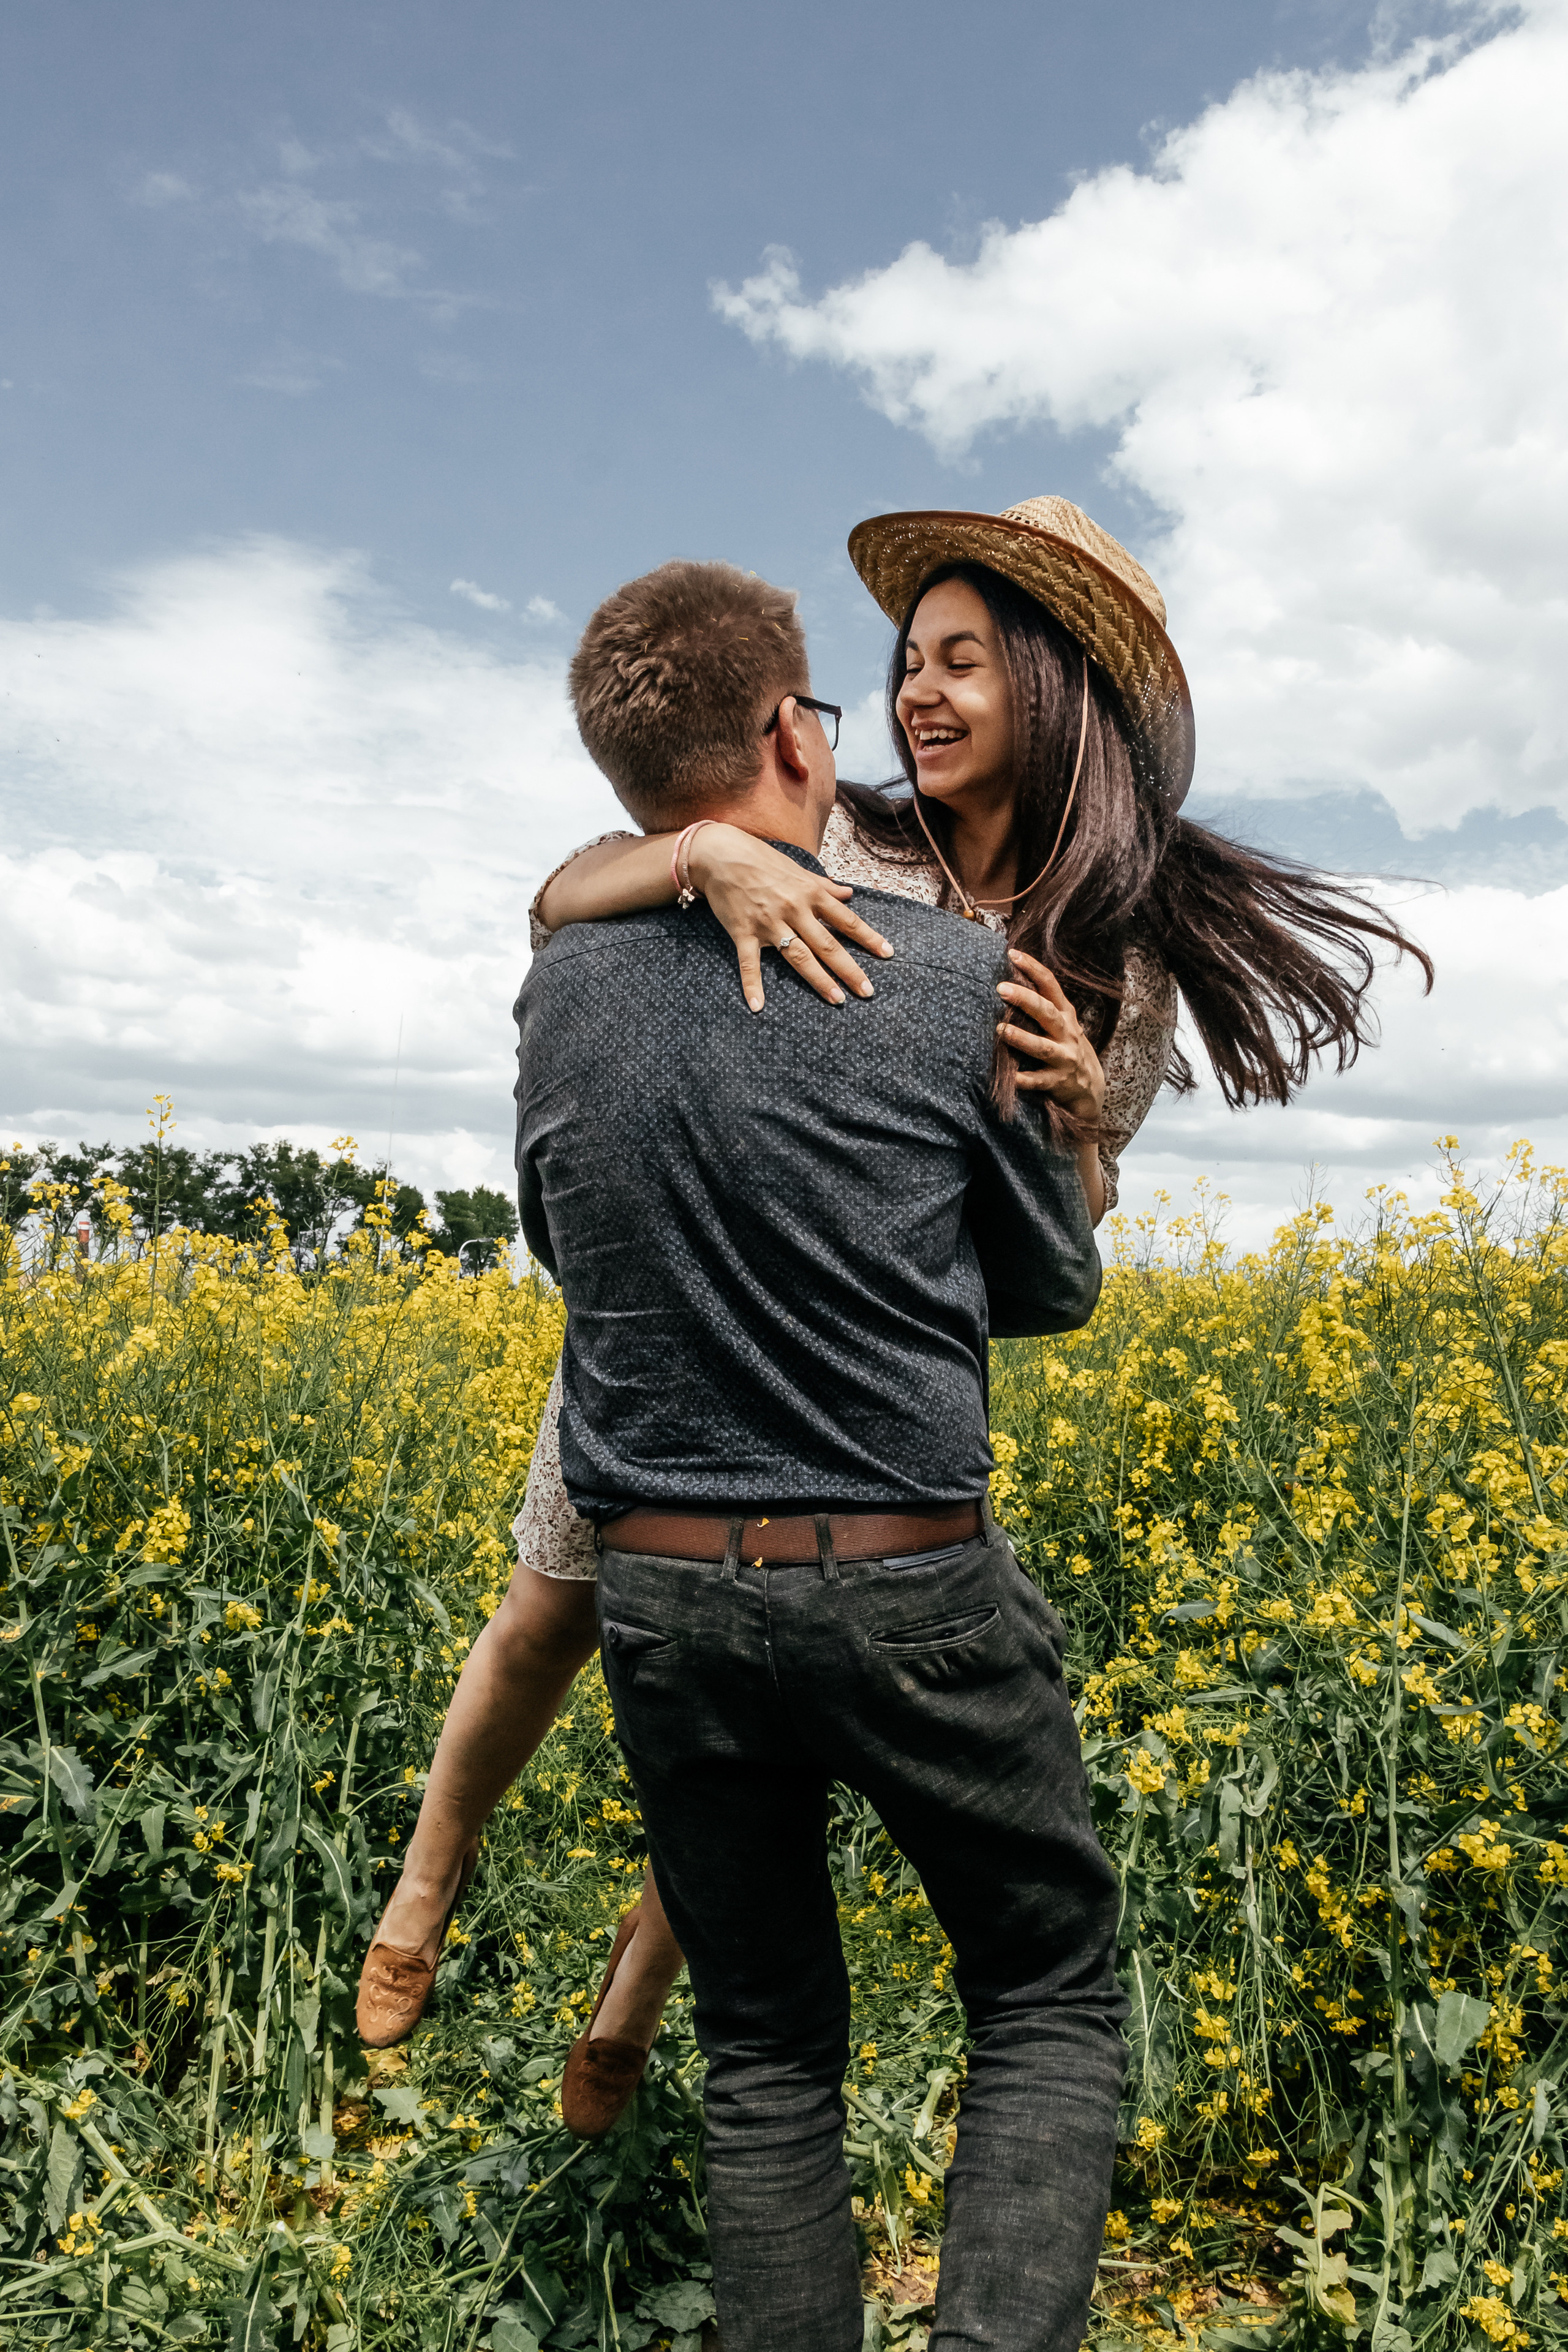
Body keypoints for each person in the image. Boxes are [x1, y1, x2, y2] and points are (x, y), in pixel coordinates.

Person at [358, 496, 1433, 2117]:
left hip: (853, 1354)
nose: (920, 695)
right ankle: (427, 1886)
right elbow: (564, 902)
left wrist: (1072, 1129)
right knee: (550, 1605)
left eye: (964, 664)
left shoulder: (1110, 964)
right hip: (677, 1317)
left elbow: (1052, 1247)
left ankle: (632, 2012)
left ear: (1056, 694)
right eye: (909, 662)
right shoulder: (829, 825)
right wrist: (699, 849)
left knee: (776, 1694)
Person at [515, 553, 1120, 2352]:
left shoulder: (561, 992)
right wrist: (1052, 1128)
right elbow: (1051, 1289)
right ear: (791, 733)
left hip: (666, 1602)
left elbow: (571, 1239)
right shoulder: (957, 980)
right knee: (1042, 1991)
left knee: (768, 2041)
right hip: (913, 1581)